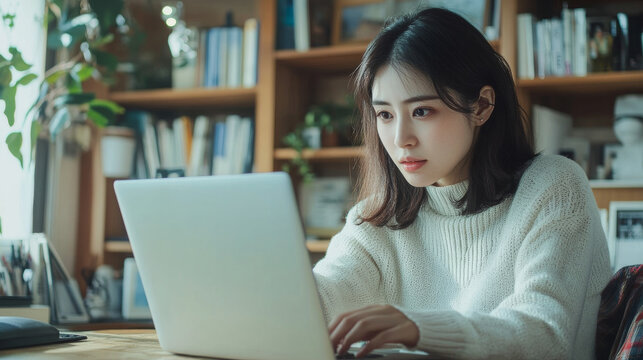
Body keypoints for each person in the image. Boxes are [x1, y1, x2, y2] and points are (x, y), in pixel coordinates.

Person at [312, 8, 612, 359]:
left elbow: (544, 334)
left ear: (482, 106)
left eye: (421, 111)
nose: (400, 138)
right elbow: (322, 296)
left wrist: (420, 329)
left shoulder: (553, 186)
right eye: (385, 114)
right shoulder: (376, 220)